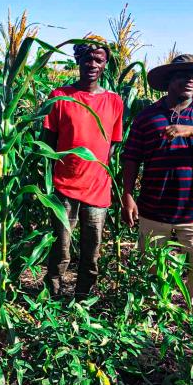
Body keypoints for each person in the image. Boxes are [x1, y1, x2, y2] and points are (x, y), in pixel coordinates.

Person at [122, 54, 193, 318]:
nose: (191, 80)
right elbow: (132, 156)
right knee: (150, 268)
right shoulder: (147, 116)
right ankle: (149, 315)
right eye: (183, 75)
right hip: (153, 209)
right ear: (170, 80)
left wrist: (192, 131)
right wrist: (127, 195)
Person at [42, 36, 124, 298]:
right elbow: (48, 144)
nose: (92, 63)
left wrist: (98, 173)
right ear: (77, 61)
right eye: (87, 58)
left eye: (98, 59)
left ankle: (83, 299)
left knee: (92, 250)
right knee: (60, 248)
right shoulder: (60, 97)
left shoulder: (114, 101)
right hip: (64, 188)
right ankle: (52, 296)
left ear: (105, 64)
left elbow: (112, 144)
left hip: (98, 190)